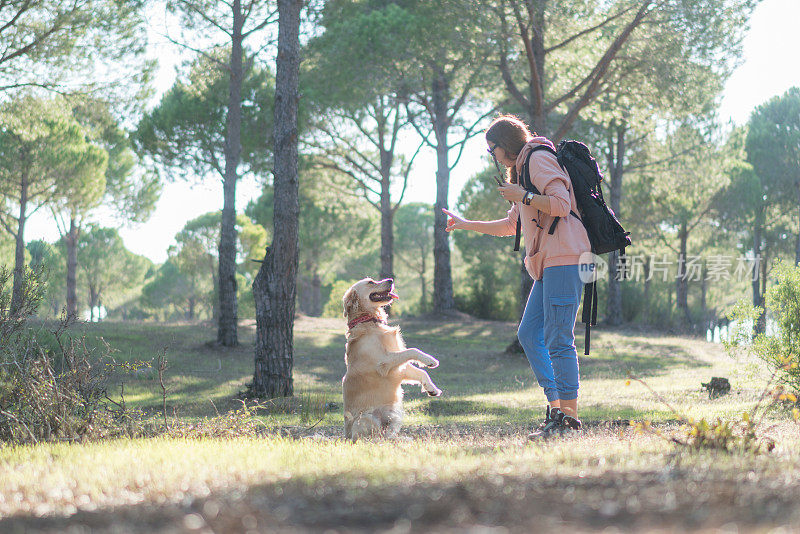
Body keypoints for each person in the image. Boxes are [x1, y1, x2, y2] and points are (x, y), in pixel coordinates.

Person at [443, 114, 591, 439]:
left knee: (558, 338)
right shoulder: (523, 171)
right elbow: (513, 225)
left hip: (566, 257)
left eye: (491, 149)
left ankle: (569, 419)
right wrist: (466, 223)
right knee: (529, 334)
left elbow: (561, 204)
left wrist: (523, 196)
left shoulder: (538, 159)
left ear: (504, 145)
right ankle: (556, 409)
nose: (492, 156)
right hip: (548, 262)